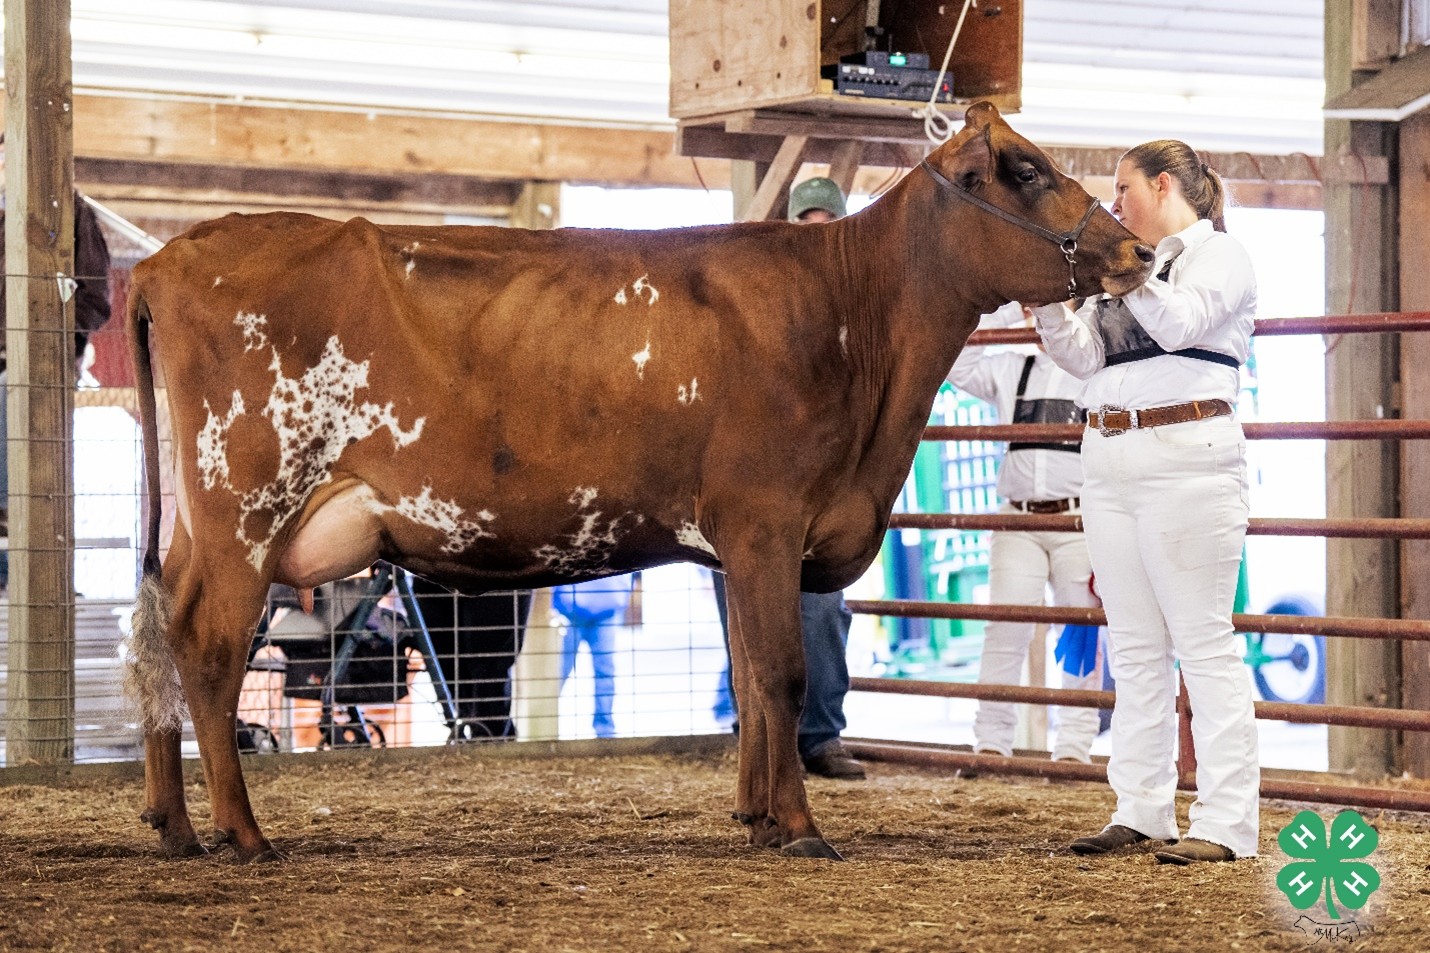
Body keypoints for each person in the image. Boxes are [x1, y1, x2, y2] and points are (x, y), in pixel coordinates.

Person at [1031, 140, 1259, 865]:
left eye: (1123, 187)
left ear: (1163, 186)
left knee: (1202, 644)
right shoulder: (1123, 270)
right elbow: (1087, 358)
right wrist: (1043, 304)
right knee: (1134, 649)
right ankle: (1140, 806)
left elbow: (1182, 324)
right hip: (1110, 461)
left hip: (1189, 460)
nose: (1115, 201)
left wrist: (1127, 274)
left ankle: (1225, 822)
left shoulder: (1219, 256)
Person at [708, 175, 866, 781]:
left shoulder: (859, 299)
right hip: (756, 471)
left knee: (821, 607)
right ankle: (754, 731)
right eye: (808, 224)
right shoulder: (765, 292)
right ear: (793, 226)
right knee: (749, 603)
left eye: (828, 224)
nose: (817, 234)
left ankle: (820, 735)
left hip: (816, 474)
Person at [947, 301, 1102, 765]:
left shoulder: (1092, 365)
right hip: (1018, 520)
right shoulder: (1011, 362)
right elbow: (958, 364)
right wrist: (1006, 315)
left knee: (1082, 632)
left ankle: (1075, 747)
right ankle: (991, 742)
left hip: (1080, 520)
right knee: (1005, 629)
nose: (1038, 313)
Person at [0, 135, 113, 588]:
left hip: (41, 361)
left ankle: (24, 552)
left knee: (19, 412)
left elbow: (94, 294)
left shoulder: (70, 210)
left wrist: (62, 343)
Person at [409, 576, 531, 741]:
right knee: (446, 663)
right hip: (433, 571)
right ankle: (477, 736)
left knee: (489, 666)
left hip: (499, 570)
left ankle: (491, 742)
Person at [551, 575, 635, 738]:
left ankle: (605, 731)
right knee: (558, 672)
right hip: (569, 611)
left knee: (605, 671)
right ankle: (546, 726)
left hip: (607, 610)